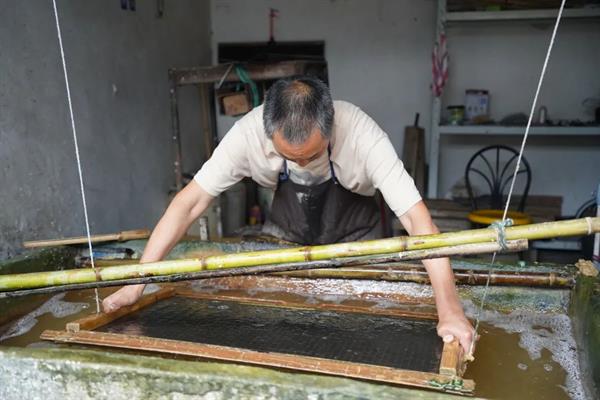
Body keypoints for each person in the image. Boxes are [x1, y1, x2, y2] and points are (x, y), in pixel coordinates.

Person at [103, 76, 474, 353]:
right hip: (286, 238)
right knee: (283, 333)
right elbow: (190, 202)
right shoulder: (247, 133)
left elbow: (417, 220)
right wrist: (138, 280)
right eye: (289, 157)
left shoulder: (362, 132)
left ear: (330, 129)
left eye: (312, 156)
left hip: (357, 240)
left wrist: (450, 310)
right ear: (269, 132)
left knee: (361, 335)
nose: (301, 164)